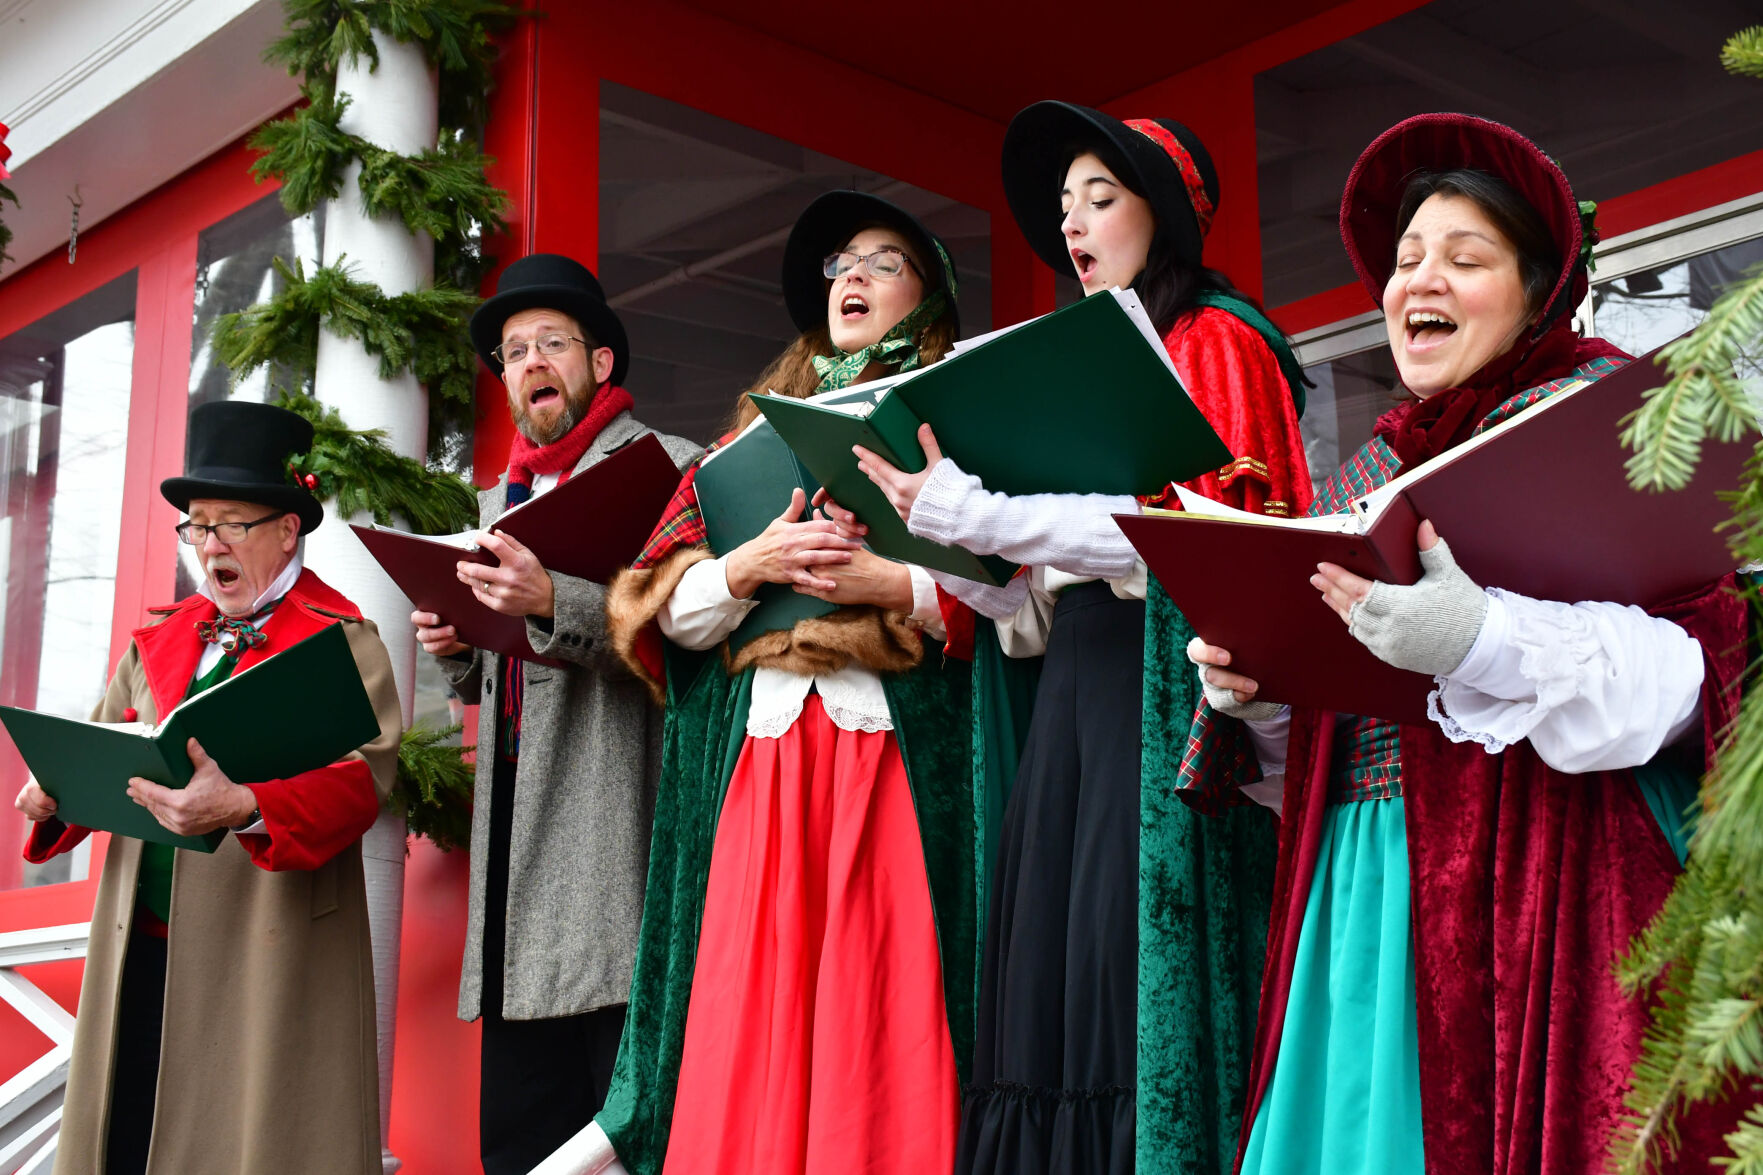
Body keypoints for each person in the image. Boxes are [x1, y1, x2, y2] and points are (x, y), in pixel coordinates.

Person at [1182, 113, 1747, 1174]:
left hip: (1547, 882)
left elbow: (1688, 680)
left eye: (1462, 257)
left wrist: (1480, 638)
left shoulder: (1602, 416)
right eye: (1403, 260)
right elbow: (1321, 764)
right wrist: (1257, 697)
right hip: (1360, 895)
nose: (1417, 282)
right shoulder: (1359, 477)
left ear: (1537, 292)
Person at [849, 102, 1312, 1174]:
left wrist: (978, 515)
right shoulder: (1083, 356)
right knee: (1056, 970)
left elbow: (1202, 540)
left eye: (1100, 197)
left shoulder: (1220, 340)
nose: (1074, 223)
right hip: (1078, 684)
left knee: (1120, 960)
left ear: (1166, 215)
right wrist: (965, 548)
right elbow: (1044, 591)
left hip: (1172, 703)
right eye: (1064, 207)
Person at [587, 191, 981, 1175]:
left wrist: (893, 582)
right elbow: (652, 607)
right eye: (840, 263)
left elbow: (1018, 603)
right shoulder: (740, 442)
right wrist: (746, 563)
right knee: (748, 1001)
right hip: (760, 770)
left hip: (893, 760)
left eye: (882, 261)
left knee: (880, 1000)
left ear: (927, 299)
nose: (851, 275)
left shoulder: (961, 427)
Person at [14, 400, 402, 1175]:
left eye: (231, 524)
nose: (207, 544)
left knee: (247, 1144)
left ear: (286, 529)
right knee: (124, 1140)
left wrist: (249, 804)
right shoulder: (158, 632)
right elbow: (101, 743)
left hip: (265, 952)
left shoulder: (339, 637)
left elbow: (366, 779)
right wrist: (52, 788)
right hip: (137, 952)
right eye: (196, 525)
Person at [412, 253, 701, 1175]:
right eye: (510, 352)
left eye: (549, 343)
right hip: (513, 878)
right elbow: (509, 676)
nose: (527, 362)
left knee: (631, 1138)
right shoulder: (498, 503)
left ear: (601, 363)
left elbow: (692, 641)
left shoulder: (671, 470)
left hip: (614, 850)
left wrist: (555, 600)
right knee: (523, 1148)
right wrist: (462, 652)